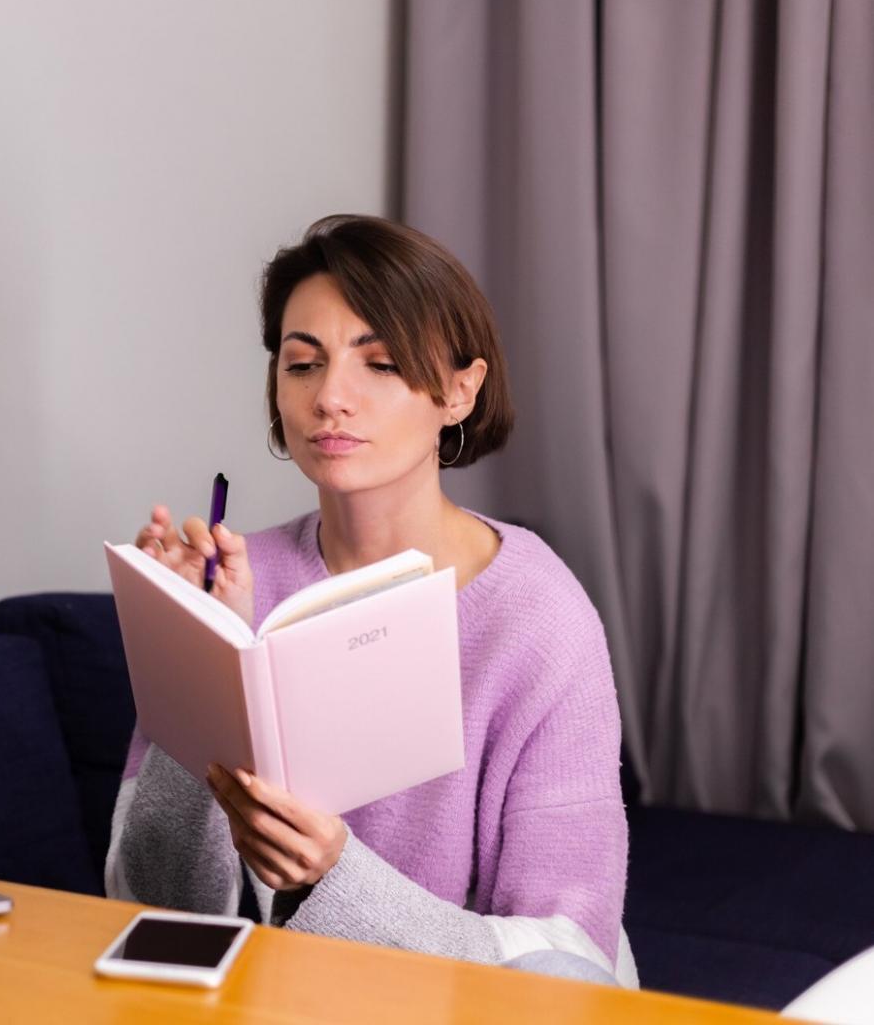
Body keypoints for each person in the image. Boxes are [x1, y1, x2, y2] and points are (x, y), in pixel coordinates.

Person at [105, 214, 637, 987]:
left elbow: (568, 962)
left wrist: (333, 879)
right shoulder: (242, 583)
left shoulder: (536, 616)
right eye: (301, 364)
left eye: (380, 365)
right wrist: (193, 652)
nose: (330, 398)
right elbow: (147, 903)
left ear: (459, 391)